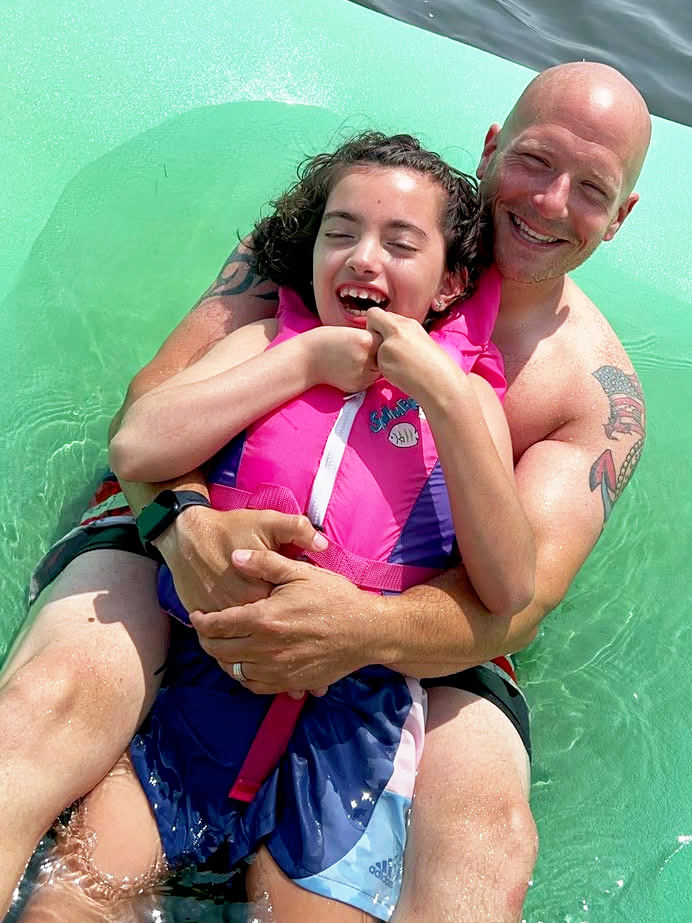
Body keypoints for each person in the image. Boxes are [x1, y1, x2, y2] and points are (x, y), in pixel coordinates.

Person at [0, 61, 650, 923]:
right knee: (51, 701)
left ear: (621, 216)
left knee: (486, 845)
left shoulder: (592, 394)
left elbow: (515, 603)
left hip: (427, 616)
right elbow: (149, 407)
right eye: (535, 160)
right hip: (194, 515)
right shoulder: (323, 240)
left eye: (591, 188)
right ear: (494, 147)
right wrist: (181, 523)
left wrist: (359, 629)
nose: (549, 201)